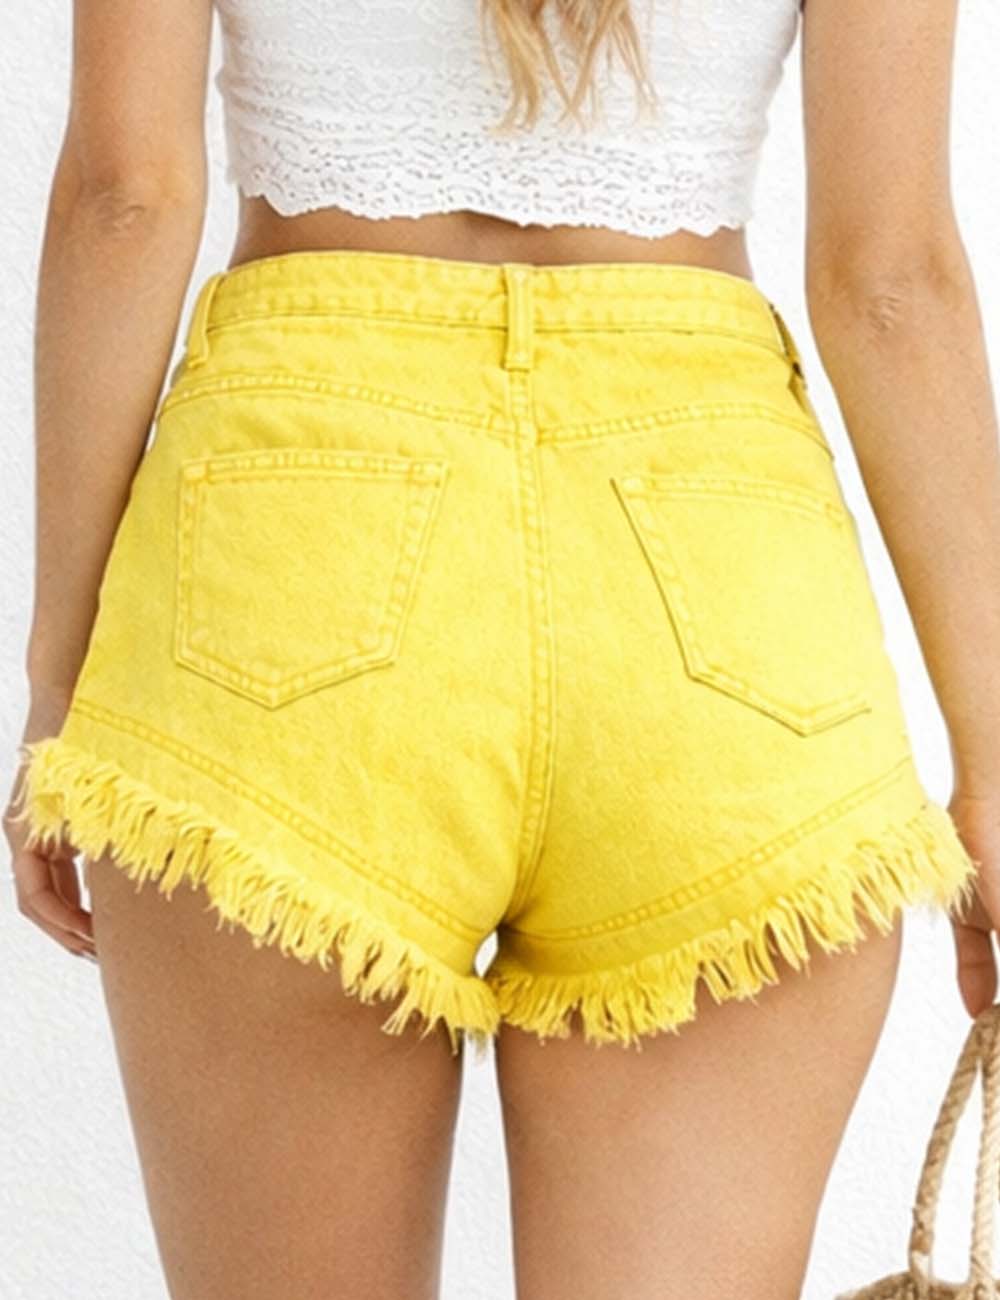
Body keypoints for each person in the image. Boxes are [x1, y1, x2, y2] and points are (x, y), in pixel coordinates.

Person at [4, 0, 998, 1295]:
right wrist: (990, 762)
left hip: (287, 549)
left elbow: (126, 199)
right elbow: (890, 279)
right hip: (718, 589)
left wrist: (60, 682)